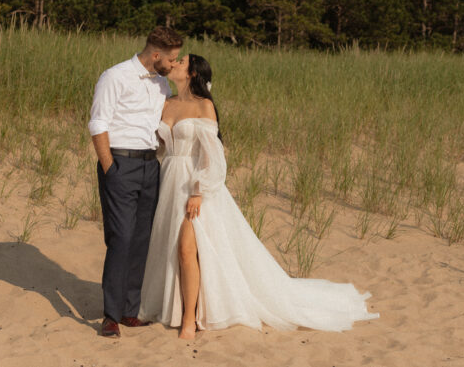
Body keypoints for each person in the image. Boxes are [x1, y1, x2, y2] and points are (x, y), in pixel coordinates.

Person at [139, 54, 378, 339]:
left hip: (194, 184)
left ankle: (189, 318)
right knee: (170, 249)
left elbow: (214, 156)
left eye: (181, 61)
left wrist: (199, 191)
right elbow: (159, 147)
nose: (175, 63)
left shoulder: (204, 106)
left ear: (191, 73)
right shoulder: (166, 103)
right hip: (169, 180)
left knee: (187, 249)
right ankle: (178, 308)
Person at [88, 26, 183, 338]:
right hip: (120, 164)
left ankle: (130, 310)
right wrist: (110, 168)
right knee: (121, 238)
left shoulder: (162, 85)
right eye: (171, 59)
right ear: (156, 55)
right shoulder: (114, 76)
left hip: (150, 166)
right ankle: (111, 315)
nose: (174, 64)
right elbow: (98, 122)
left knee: (142, 239)